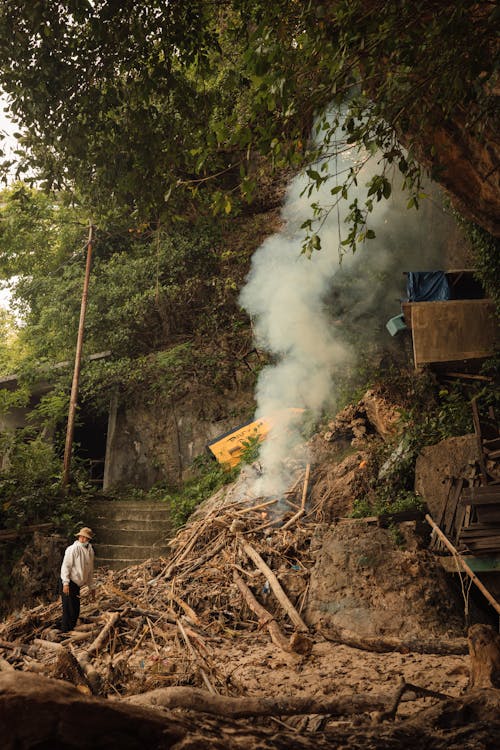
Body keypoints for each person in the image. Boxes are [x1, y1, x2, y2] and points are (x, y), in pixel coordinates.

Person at [59, 526, 96, 632]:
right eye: (81, 537)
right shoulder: (73, 549)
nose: (83, 539)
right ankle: (65, 631)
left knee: (75, 609)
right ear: (79, 537)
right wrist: (65, 583)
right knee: (68, 609)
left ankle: (71, 629)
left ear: (88, 539)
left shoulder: (90, 550)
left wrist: (91, 587)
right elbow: (66, 566)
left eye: (85, 537)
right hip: (69, 581)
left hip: (77, 584)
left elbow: (90, 570)